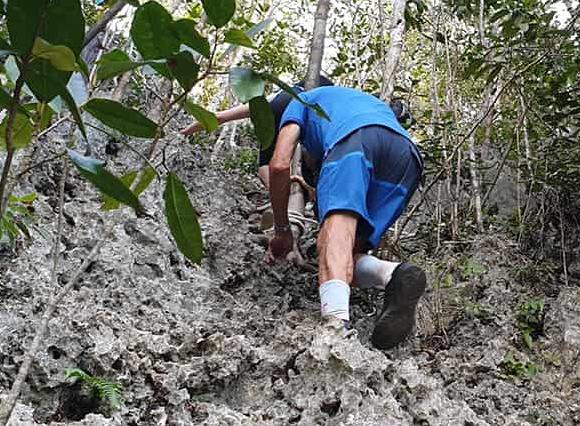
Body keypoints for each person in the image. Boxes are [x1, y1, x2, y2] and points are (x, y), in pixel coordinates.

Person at [182, 83, 426, 350]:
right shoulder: (353, 100)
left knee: (333, 240)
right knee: (347, 259)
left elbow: (278, 165)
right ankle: (392, 275)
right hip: (408, 159)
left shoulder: (300, 101)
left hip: (356, 140)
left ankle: (336, 329)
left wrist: (283, 230)